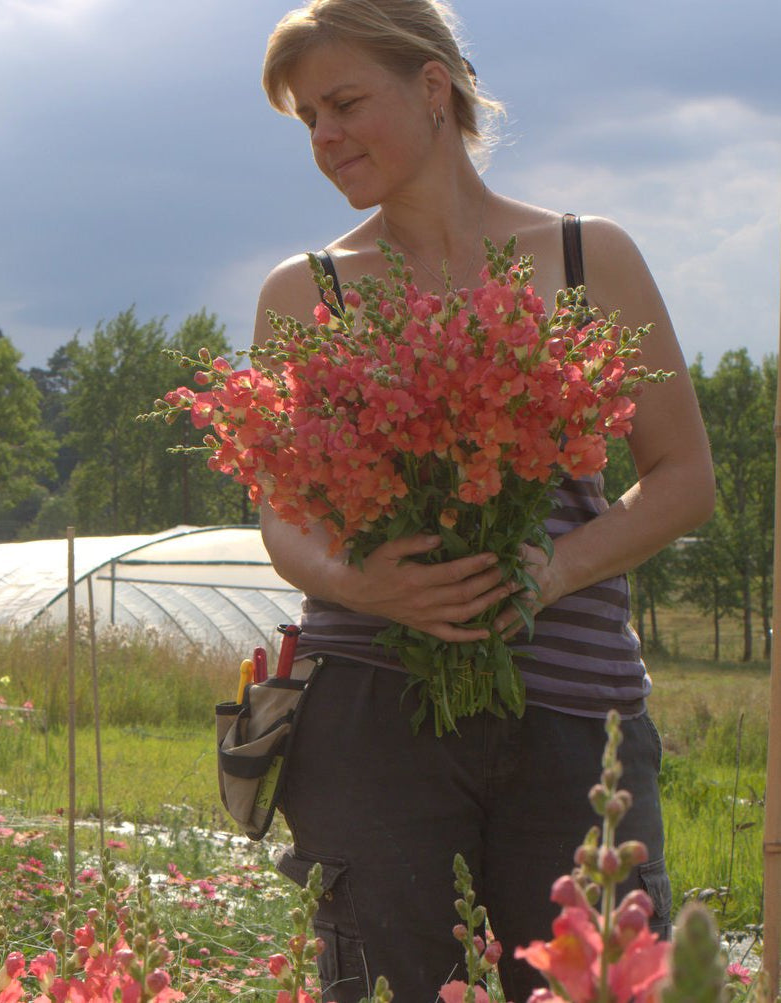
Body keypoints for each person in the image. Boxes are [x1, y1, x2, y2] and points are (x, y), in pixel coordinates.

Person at [253, 2, 715, 1000]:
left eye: (342, 104)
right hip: (370, 705)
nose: (325, 140)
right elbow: (281, 512)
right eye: (306, 121)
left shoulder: (589, 259)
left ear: (431, 89)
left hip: (570, 713)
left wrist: (545, 572)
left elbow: (682, 478)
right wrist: (358, 580)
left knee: (589, 984)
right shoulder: (308, 293)